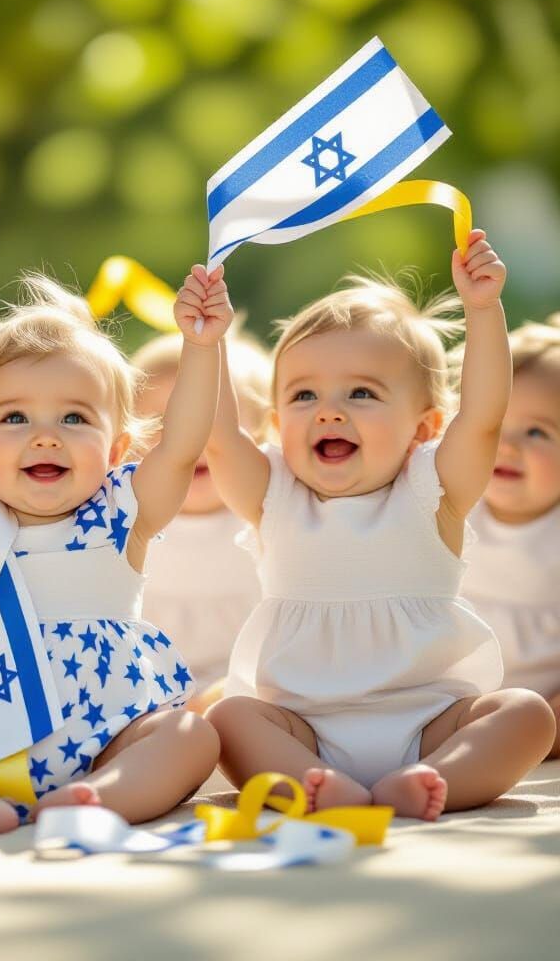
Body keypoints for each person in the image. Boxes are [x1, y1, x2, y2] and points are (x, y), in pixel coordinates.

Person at [0, 270, 222, 837]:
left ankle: (98, 796)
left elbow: (181, 446)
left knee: (191, 736)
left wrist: (201, 346)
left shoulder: (125, 514)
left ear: (117, 448)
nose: (45, 436)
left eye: (74, 418)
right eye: (15, 418)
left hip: (106, 732)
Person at [205, 232, 555, 821]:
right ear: (275, 420)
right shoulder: (275, 494)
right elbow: (217, 438)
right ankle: (313, 782)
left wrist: (483, 309)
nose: (329, 410)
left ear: (423, 428)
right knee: (228, 718)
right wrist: (206, 345)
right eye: (304, 394)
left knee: (526, 713)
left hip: (428, 721)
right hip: (304, 725)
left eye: (362, 393)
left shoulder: (431, 492)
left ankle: (432, 779)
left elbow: (485, 417)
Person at [134, 326, 270, 707]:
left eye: (211, 418)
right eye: (161, 423)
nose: (189, 439)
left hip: (247, 694)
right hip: (146, 694)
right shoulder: (124, 522)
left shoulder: (269, 521)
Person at [461, 314, 560, 757]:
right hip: (457, 699)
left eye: (537, 432)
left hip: (546, 705)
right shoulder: (454, 509)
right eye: (495, 426)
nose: (508, 446)